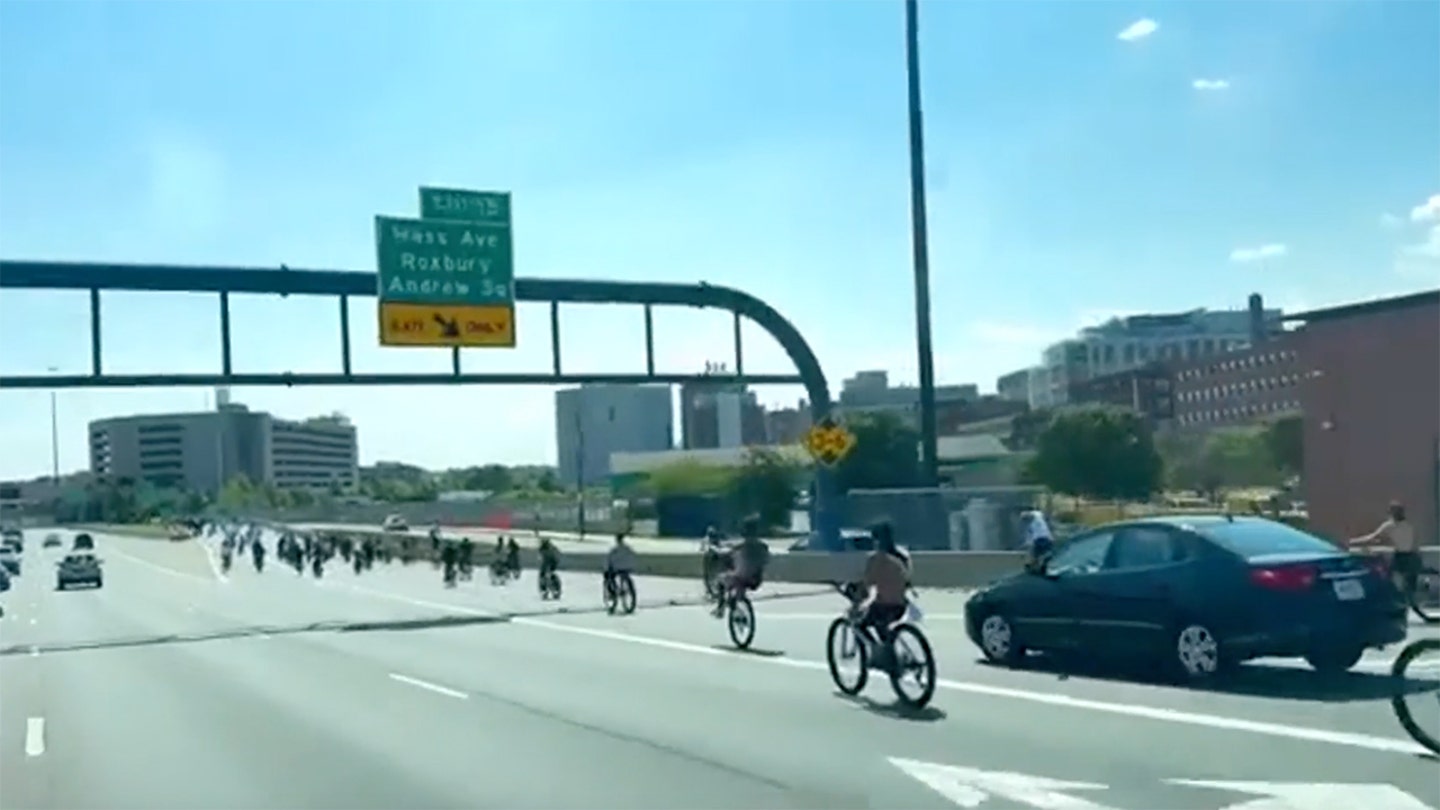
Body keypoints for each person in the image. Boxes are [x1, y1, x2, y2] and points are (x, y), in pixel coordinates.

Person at [849, 520, 912, 666]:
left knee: (859, 624)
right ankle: (891, 657)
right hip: (901, 605)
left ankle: (877, 652)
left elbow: (868, 584)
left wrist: (858, 600)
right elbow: (907, 579)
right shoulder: (902, 555)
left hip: (883, 605)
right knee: (884, 628)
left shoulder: (876, 559)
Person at [1350, 500, 1420, 600]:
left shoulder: (1390, 525)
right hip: (1412, 556)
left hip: (1402, 557)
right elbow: (1414, 542)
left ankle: (1399, 597)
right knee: (1410, 584)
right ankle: (1410, 599)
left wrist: (1353, 541)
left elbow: (1372, 537)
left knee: (1390, 578)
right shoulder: (1410, 525)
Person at [712, 516, 770, 617]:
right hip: (756, 579)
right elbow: (766, 560)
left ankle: (720, 609)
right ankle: (735, 599)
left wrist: (716, 550)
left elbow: (727, 552)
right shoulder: (763, 547)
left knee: (721, 580)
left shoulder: (742, 546)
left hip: (740, 578)